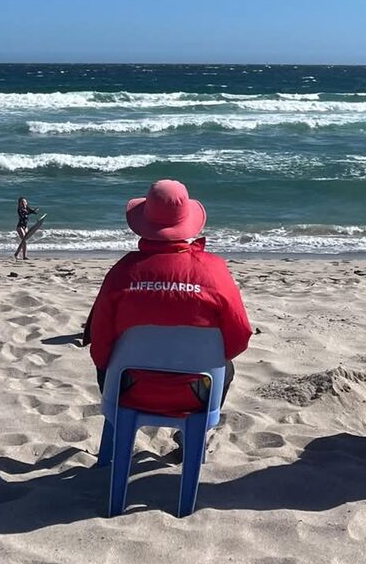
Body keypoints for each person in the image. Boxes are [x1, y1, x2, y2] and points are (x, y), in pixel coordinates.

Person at [86, 179, 252, 420]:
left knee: (106, 364)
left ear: (144, 221)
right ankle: (192, 437)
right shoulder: (214, 272)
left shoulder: (122, 273)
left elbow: (99, 348)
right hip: (195, 394)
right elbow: (239, 338)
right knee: (226, 369)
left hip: (128, 392)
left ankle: (119, 435)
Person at [14, 196, 37, 260]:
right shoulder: (20, 209)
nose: (23, 203)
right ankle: (24, 256)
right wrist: (31, 211)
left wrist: (34, 211)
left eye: (24, 202)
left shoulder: (27, 209)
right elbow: (25, 212)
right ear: (19, 204)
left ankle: (16, 253)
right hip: (20, 227)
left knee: (24, 241)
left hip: (25, 227)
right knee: (24, 241)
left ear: (26, 203)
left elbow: (30, 211)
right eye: (22, 202)